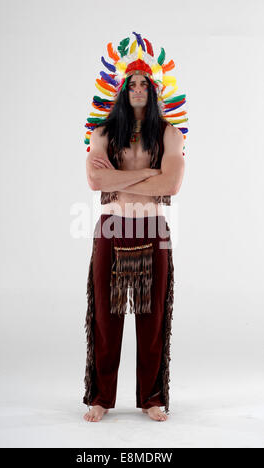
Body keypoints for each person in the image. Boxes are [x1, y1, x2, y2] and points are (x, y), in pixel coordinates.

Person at [82, 32, 187, 422]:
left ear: (155, 91)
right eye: (132, 83)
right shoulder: (104, 134)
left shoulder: (169, 135)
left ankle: (152, 397)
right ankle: (100, 397)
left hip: (152, 232)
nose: (139, 88)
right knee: (107, 320)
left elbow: (171, 185)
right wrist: (149, 174)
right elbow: (96, 183)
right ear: (122, 89)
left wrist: (121, 178)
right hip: (112, 228)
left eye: (145, 83)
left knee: (153, 317)